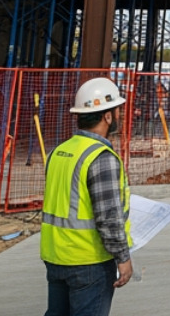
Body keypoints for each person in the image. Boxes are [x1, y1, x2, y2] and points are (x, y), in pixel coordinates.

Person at [40, 76, 133, 316]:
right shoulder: (100, 157)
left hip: (56, 256)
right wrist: (122, 258)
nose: (119, 116)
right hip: (88, 261)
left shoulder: (59, 151)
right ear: (107, 116)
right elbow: (108, 217)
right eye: (117, 110)